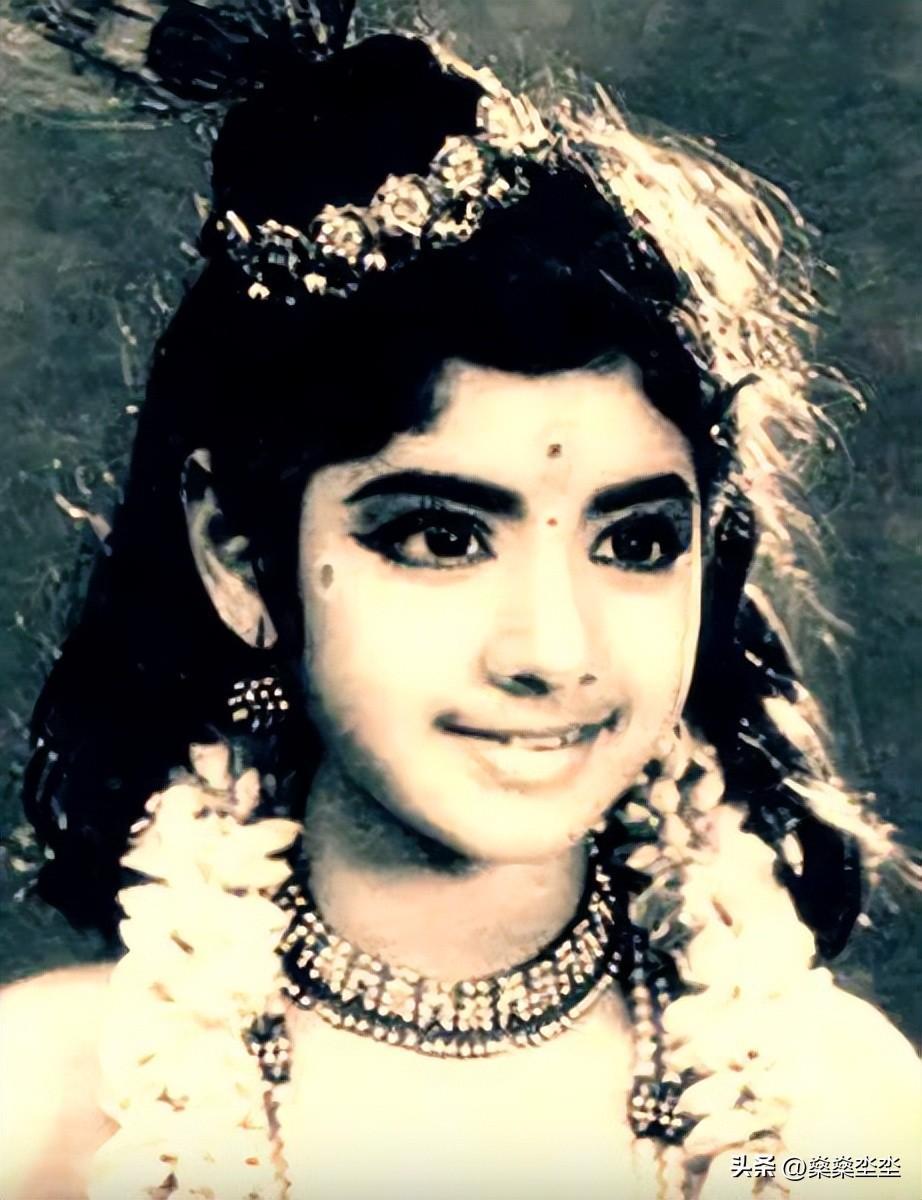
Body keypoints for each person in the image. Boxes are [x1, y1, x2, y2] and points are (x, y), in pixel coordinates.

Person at [0, 2, 918, 1198]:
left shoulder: (846, 1126)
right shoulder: (46, 1115)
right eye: (440, 537)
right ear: (236, 552)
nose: (554, 649)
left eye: (635, 542)